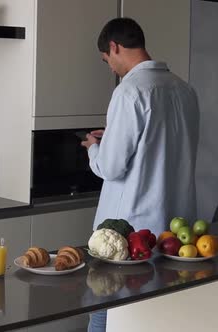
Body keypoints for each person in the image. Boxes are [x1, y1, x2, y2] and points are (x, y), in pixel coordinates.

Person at [82, 18, 200, 332]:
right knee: (154, 317)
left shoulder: (130, 92)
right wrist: (115, 137)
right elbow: (160, 147)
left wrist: (95, 149)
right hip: (175, 229)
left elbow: (111, 167)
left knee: (104, 310)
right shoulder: (185, 90)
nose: (110, 68)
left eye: (107, 60)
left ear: (114, 47)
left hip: (130, 233)